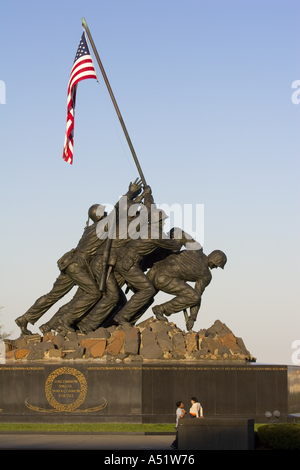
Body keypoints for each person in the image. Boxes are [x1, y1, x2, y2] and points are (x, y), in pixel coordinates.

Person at [147, 229, 227, 330]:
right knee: (194, 297)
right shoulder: (206, 275)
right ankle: (161, 309)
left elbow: (180, 233)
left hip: (154, 270)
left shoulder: (197, 249)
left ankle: (124, 319)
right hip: (164, 278)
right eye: (216, 265)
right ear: (214, 261)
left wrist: (172, 235)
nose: (215, 268)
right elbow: (196, 297)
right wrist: (192, 318)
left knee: (143, 298)